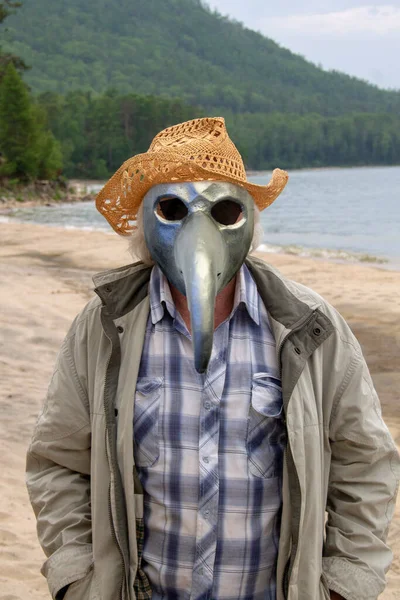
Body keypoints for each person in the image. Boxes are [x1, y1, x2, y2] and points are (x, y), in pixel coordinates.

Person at [26, 117, 399, 600]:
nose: (197, 229)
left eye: (223, 209)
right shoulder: (100, 328)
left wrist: (345, 585)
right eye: (171, 207)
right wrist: (78, 579)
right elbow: (57, 460)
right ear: (144, 220)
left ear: (248, 221)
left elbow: (365, 460)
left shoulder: (310, 325)